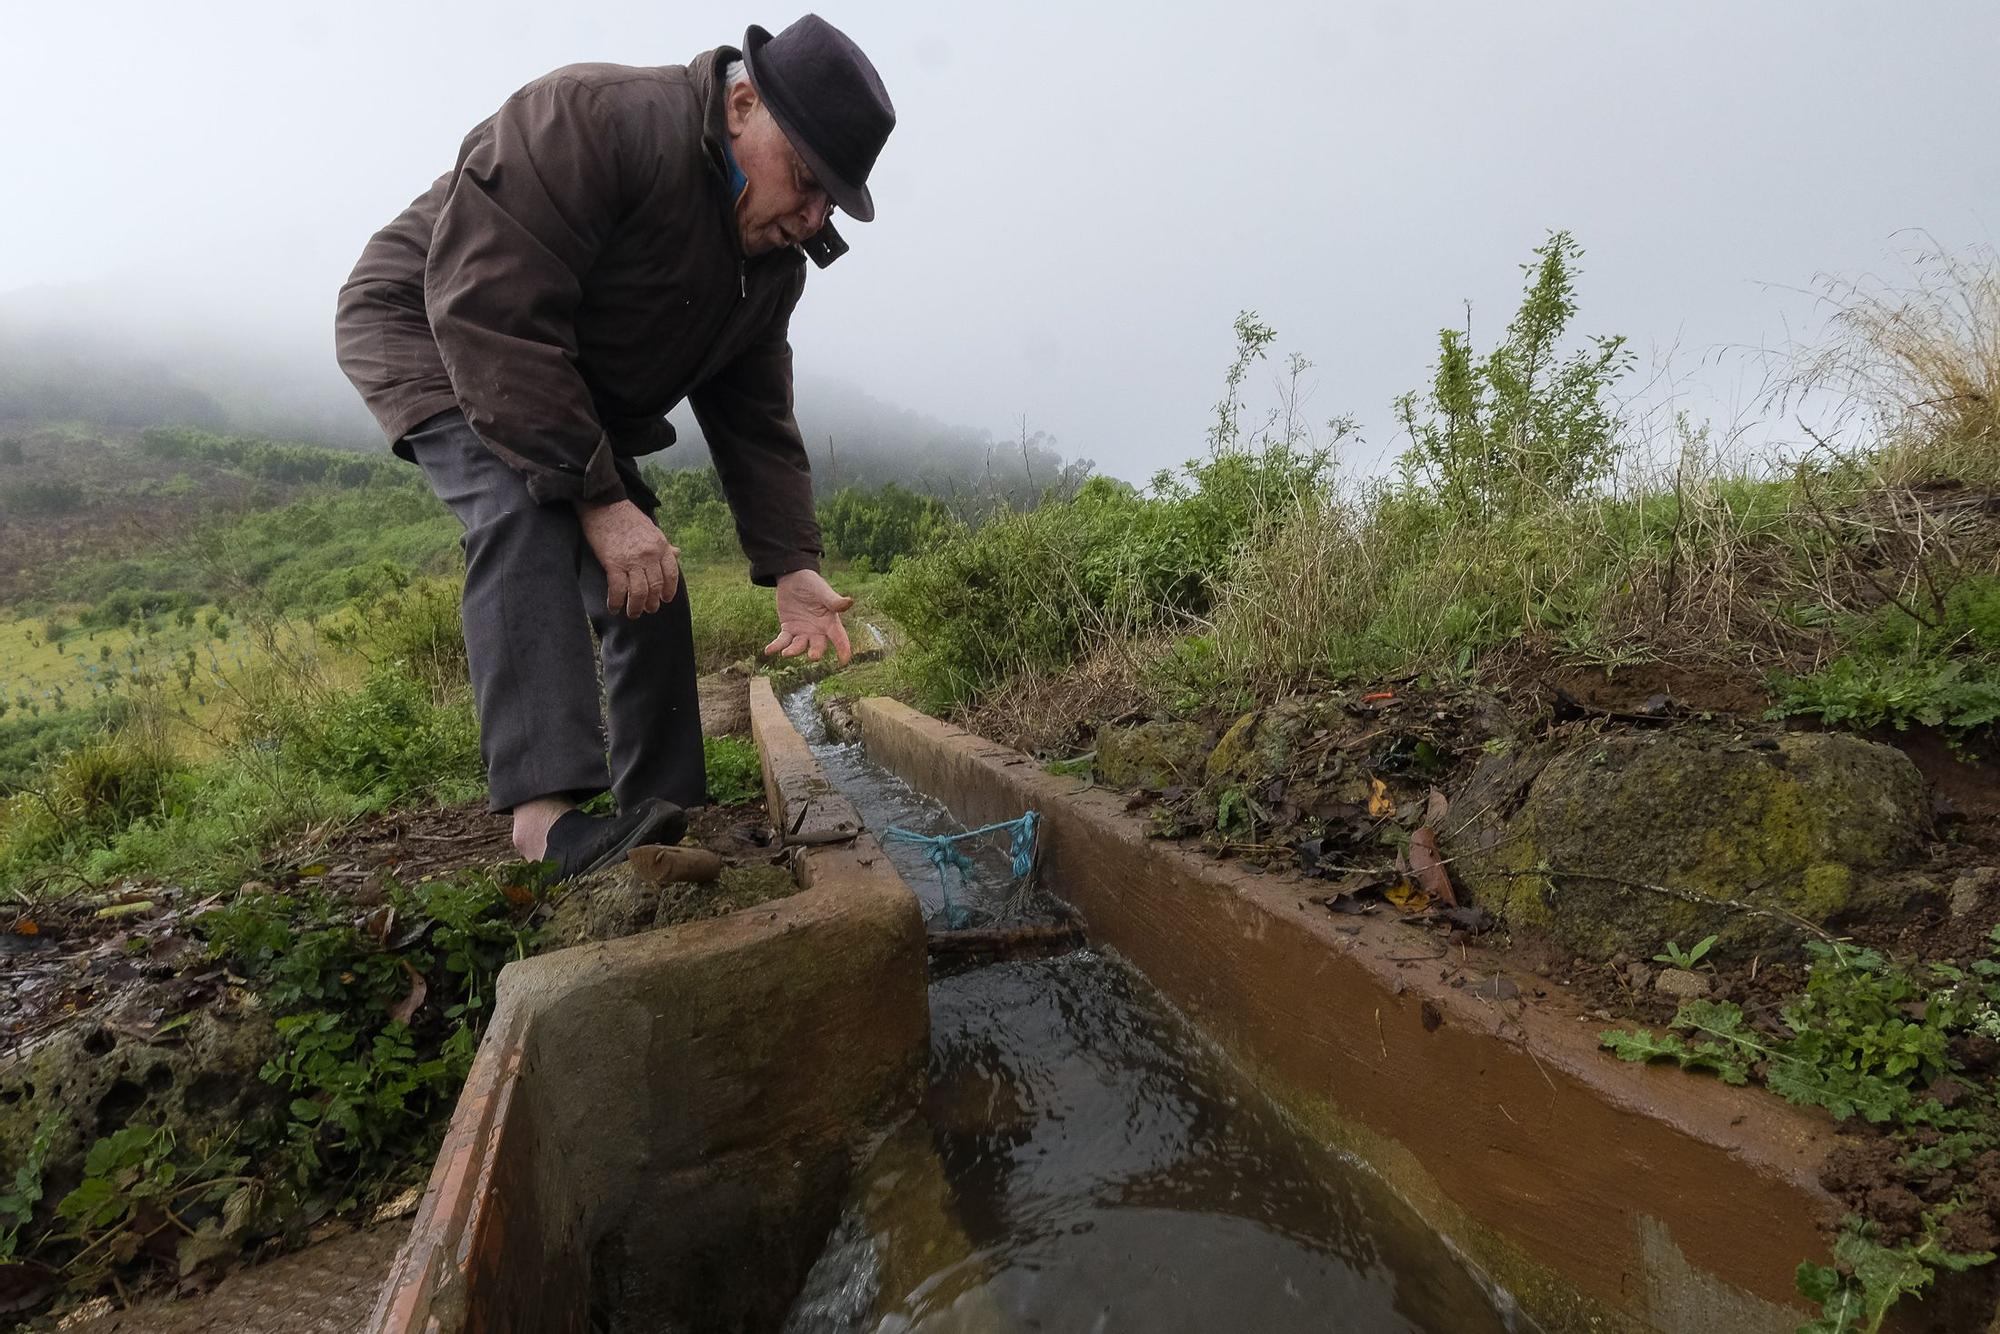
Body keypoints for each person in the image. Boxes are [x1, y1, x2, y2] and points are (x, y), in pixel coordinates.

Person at [333, 16, 894, 878]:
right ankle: (545, 825)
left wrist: (792, 564)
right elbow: (492, 309)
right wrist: (598, 499)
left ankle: (659, 815)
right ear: (743, 103)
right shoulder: (593, 118)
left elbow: (754, 417)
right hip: (441, 325)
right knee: (525, 506)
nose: (812, 216)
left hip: (563, 378)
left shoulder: (771, 261)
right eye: (809, 180)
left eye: (833, 201)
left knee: (650, 578)